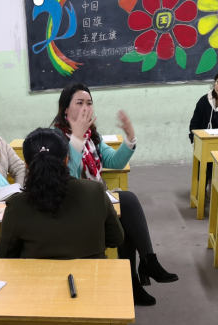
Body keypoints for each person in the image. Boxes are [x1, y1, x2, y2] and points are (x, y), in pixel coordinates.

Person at [52, 83, 178, 306]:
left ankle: (135, 279)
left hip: (93, 199)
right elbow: (66, 178)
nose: (86, 108)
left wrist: (130, 138)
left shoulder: (92, 136)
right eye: (79, 103)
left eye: (89, 103)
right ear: (65, 110)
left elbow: (114, 161)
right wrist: (77, 140)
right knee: (126, 201)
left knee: (124, 216)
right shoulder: (56, 139)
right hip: (70, 205)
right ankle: (146, 265)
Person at [0, 128, 124, 259]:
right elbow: (116, 239)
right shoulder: (96, 191)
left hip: (38, 273)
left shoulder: (16, 205)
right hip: (92, 272)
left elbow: (4, 257)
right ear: (66, 160)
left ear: (27, 165)